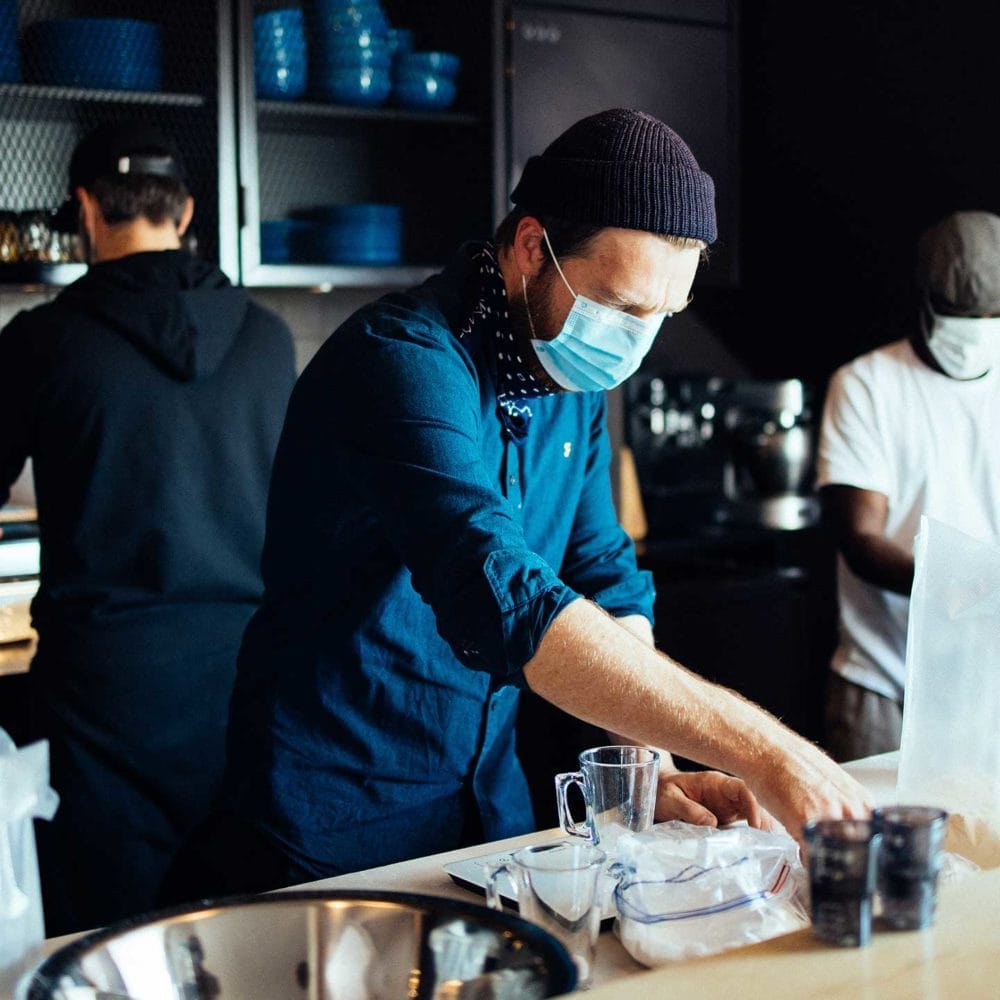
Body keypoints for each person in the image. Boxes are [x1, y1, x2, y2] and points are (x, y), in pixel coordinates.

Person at [162, 108, 870, 906]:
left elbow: (601, 572)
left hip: (483, 821)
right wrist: (768, 752)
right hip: (331, 827)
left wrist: (649, 764)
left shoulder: (571, 384)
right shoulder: (399, 362)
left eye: (662, 318)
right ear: (533, 248)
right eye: (624, 308)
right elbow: (504, 598)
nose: (635, 343)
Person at [0, 122, 298, 934]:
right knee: (238, 947)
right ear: (188, 211)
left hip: (102, 707)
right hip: (244, 698)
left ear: (86, 210)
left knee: (103, 953)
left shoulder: (42, 342)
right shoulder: (269, 341)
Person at [816, 209, 1000, 762]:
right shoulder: (867, 385)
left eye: (990, 316)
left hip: (986, 687)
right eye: (958, 315)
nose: (975, 331)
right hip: (884, 684)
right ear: (924, 304)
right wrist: (958, 582)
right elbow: (861, 538)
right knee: (876, 848)